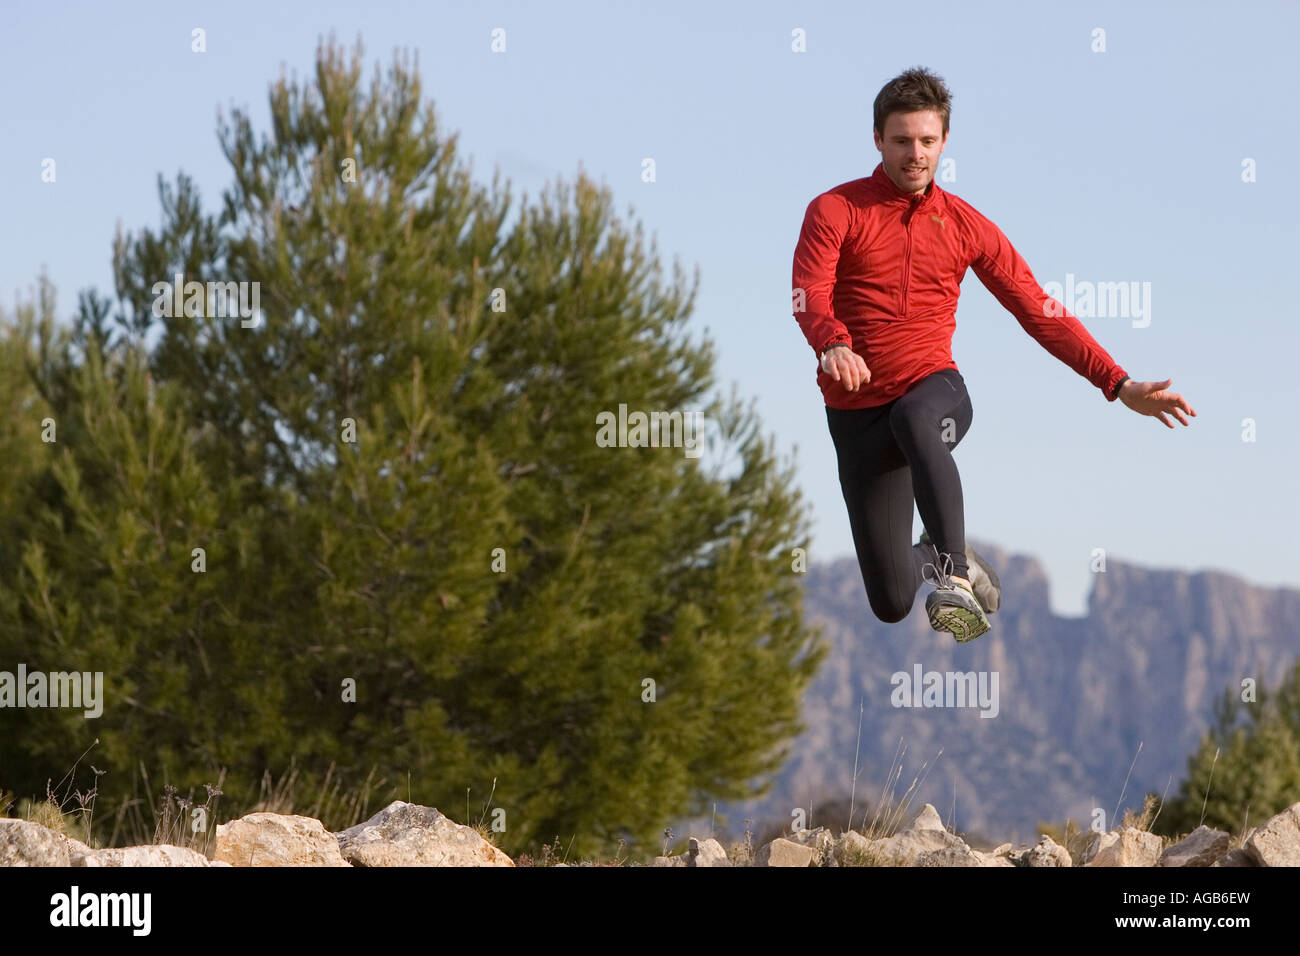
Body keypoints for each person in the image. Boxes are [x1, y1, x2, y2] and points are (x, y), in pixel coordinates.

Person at [791, 67, 1196, 643]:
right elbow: (809, 287)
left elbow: (1038, 309)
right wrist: (831, 340)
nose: (915, 154)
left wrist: (1118, 382)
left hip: (934, 392)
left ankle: (953, 577)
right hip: (856, 415)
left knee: (915, 417)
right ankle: (939, 551)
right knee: (890, 601)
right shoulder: (835, 209)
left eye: (927, 141)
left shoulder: (965, 225)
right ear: (877, 139)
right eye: (902, 140)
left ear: (944, 143)